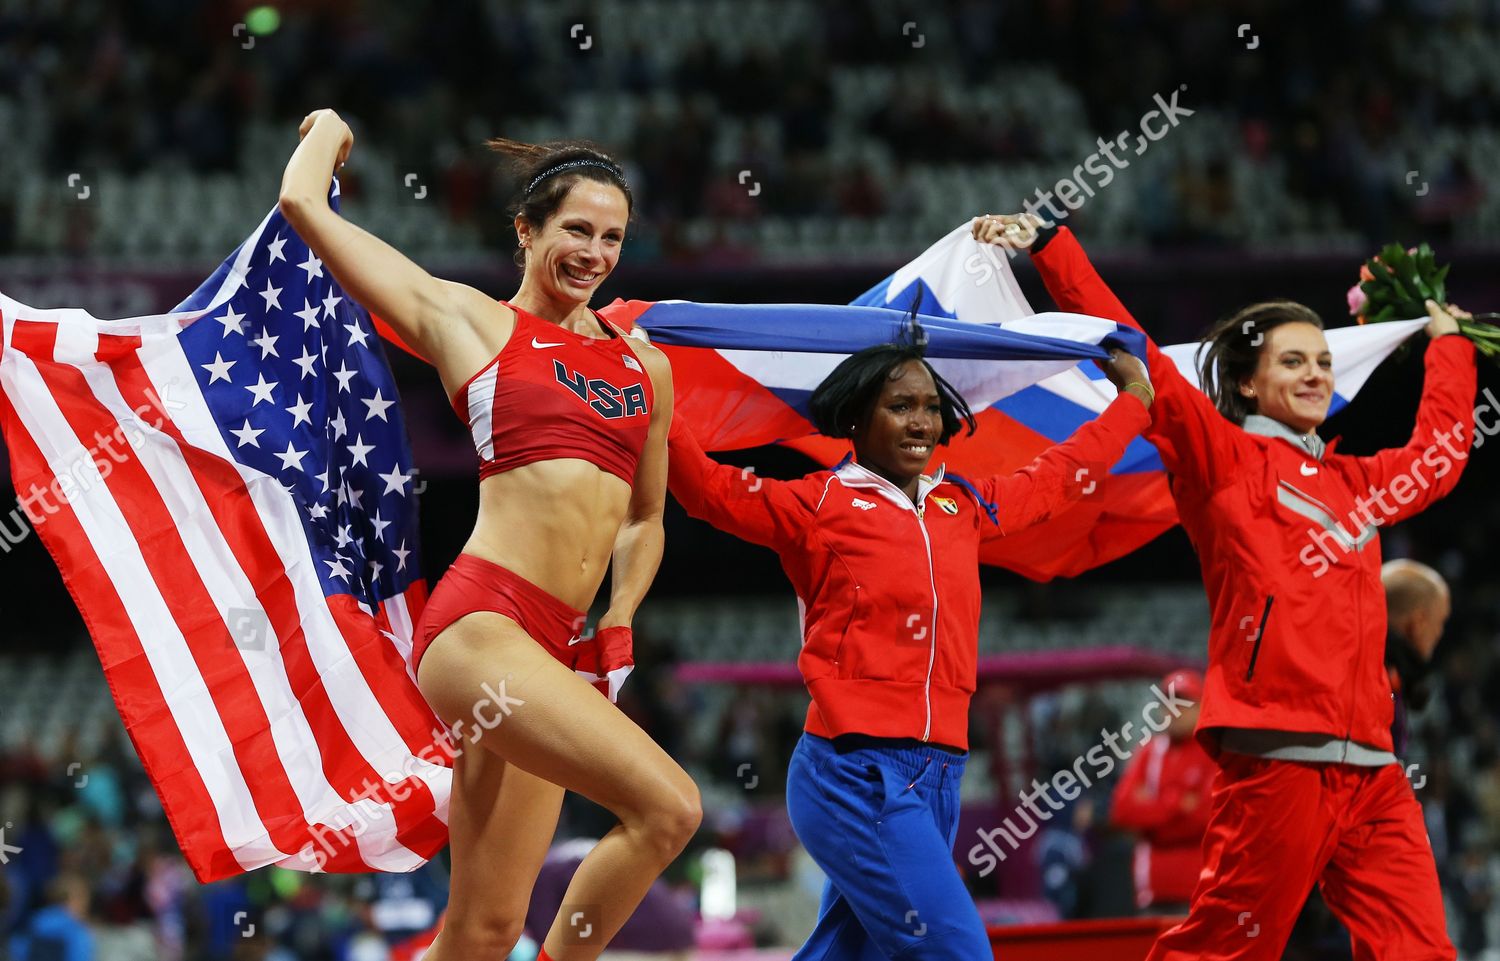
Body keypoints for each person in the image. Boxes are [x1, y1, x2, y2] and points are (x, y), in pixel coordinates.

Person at [979, 211, 1476, 960]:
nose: (1315, 375)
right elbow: (1139, 347)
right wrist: (1053, 247)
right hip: (1280, 759)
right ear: (1247, 381)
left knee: (1423, 953)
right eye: (1292, 362)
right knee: (1221, 953)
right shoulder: (1224, 460)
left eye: (1321, 362)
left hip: (1373, 771)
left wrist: (1451, 346)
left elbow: (1438, 457)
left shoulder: (1355, 482)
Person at [279, 109, 698, 961]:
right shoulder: (472, 323)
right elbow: (304, 206)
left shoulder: (643, 365)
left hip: (555, 647)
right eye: (576, 229)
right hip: (482, 630)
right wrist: (330, 130)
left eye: (613, 237)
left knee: (481, 931)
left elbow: (646, 517)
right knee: (669, 808)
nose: (595, 252)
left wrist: (620, 615)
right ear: (525, 230)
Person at [667, 333, 1155, 959]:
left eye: (930, 406)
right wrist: (651, 385)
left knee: (852, 953)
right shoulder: (816, 504)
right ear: (854, 419)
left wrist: (1133, 399)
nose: (920, 421)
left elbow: (1061, 476)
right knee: (956, 952)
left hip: (940, 776)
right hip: (855, 770)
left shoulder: (963, 506)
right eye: (900, 406)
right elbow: (705, 489)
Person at [1108, 668, 1216, 914]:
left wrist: (1152, 816)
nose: (1174, 710)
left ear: (1201, 705)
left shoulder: (1212, 751)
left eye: (1184, 702)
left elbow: (1204, 819)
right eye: (1168, 702)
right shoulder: (1150, 752)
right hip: (1151, 891)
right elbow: (1122, 811)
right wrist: (1176, 803)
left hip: (1201, 891)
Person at [1382, 558, 1450, 754]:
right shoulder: (1378, 678)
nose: (1439, 633)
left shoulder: (1394, 675)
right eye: (1439, 621)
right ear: (1418, 621)